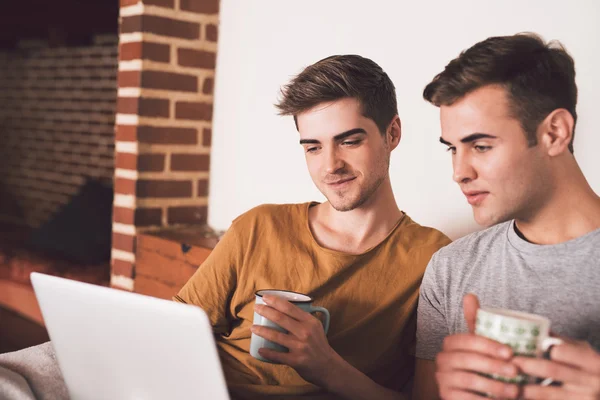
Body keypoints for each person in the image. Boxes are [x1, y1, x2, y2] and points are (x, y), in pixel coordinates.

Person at [174, 54, 450, 400]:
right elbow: (174, 334)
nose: (330, 166)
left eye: (349, 141)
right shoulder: (256, 227)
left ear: (391, 133)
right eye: (313, 148)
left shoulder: (434, 260)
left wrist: (328, 368)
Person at [413, 33, 600, 400]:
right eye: (453, 148)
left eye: (480, 146)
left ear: (554, 132)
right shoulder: (449, 271)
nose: (459, 172)